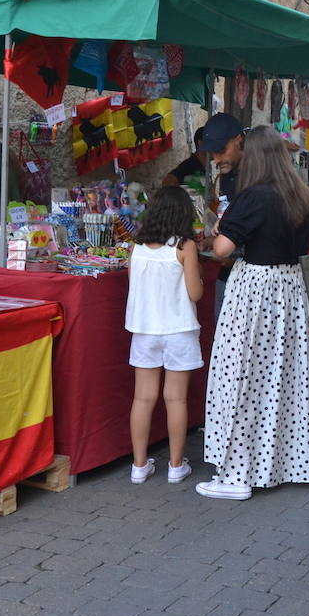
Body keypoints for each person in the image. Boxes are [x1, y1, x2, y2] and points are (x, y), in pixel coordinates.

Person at [199, 125, 309, 500]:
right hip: (289, 289)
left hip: (255, 291)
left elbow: (221, 249)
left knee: (239, 378)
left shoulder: (253, 197)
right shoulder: (302, 196)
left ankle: (236, 473)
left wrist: (221, 226)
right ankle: (285, 463)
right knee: (282, 380)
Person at [125, 187, 204, 485]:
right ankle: (175, 465)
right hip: (178, 330)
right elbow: (194, 293)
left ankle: (139, 465)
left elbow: (135, 284)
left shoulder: (137, 247)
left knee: (143, 398)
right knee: (176, 399)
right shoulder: (185, 246)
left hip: (145, 329)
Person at [197, 112, 246, 315]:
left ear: (238, 140)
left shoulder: (256, 179)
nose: (216, 159)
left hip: (249, 279)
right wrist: (212, 239)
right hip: (227, 275)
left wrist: (234, 258)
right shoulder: (227, 176)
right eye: (213, 153)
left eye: (221, 151)